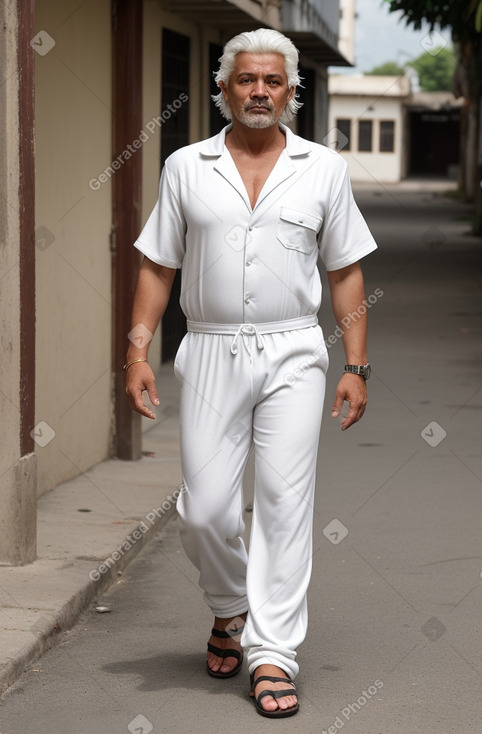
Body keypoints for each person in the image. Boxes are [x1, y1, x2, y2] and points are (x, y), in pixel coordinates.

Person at [125, 27, 377, 719]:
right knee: (202, 510)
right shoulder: (185, 166)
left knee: (283, 507)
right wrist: (137, 351)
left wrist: (354, 364)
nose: (259, 91)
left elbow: (345, 270)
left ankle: (273, 652)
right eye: (245, 80)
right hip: (207, 349)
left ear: (291, 91)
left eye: (272, 81)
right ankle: (231, 605)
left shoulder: (322, 168)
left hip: (293, 349)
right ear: (223, 88)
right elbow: (157, 265)